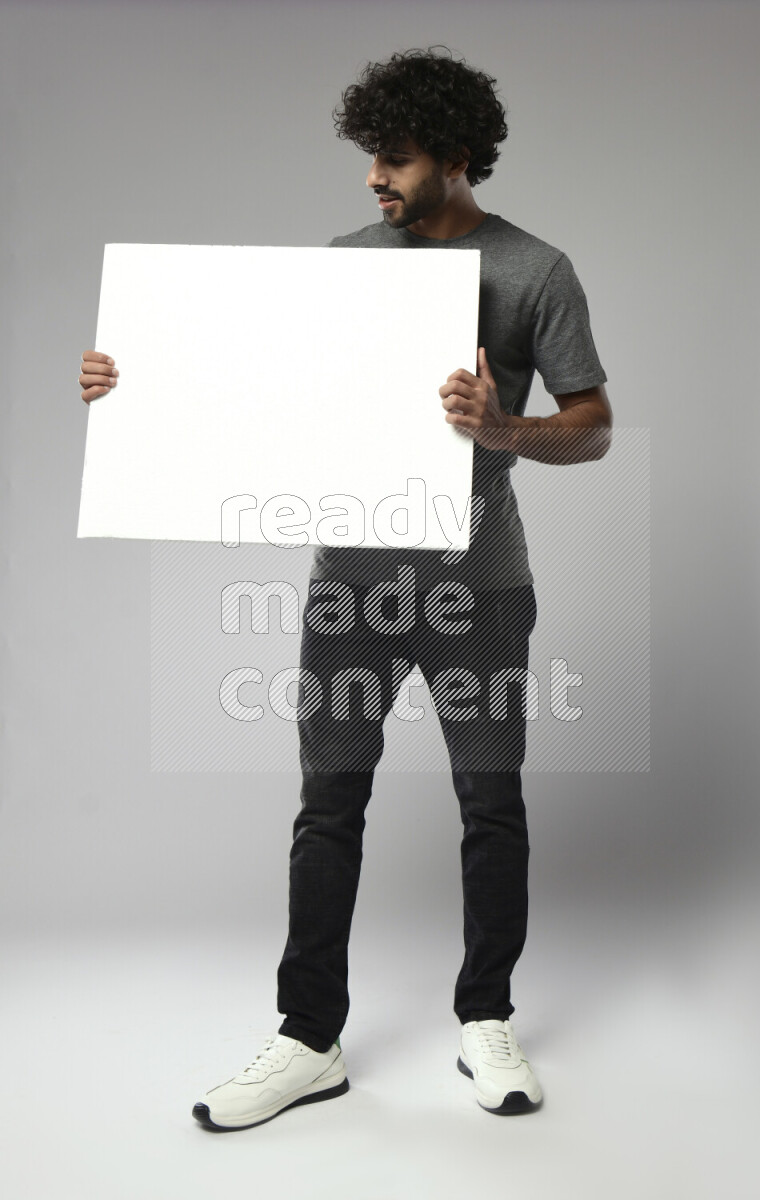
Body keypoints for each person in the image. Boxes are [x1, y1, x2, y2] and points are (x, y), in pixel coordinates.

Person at [79, 47, 612, 1129]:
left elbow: (592, 424)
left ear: (456, 160)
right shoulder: (345, 260)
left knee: (488, 803)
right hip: (348, 591)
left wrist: (499, 427)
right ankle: (307, 1039)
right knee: (329, 806)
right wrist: (132, 387)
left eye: (396, 159)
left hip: (478, 586)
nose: (374, 177)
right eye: (370, 156)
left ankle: (483, 1019)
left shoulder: (534, 271)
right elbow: (261, 401)